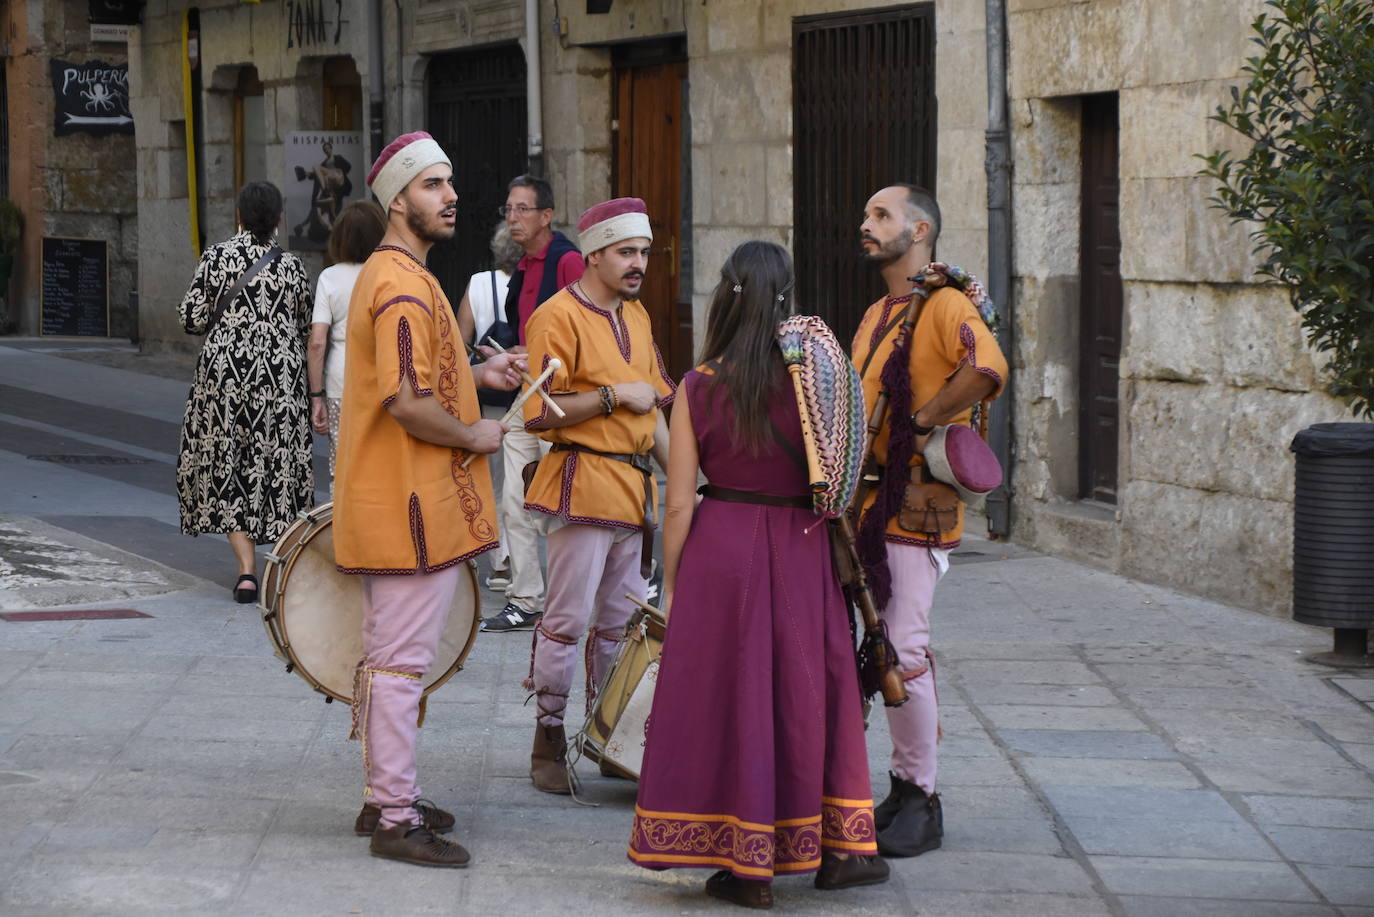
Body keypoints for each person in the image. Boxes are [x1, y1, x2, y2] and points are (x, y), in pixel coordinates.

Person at [628, 241, 888, 909]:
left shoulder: (698, 385)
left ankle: (747, 866)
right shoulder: (813, 380)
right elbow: (841, 472)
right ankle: (839, 852)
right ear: (785, 298)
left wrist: (674, 578)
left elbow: (679, 500)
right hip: (802, 548)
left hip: (721, 551)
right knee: (812, 693)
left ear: (727, 295)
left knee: (730, 697)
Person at [331, 131, 524, 867]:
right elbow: (409, 402)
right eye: (433, 185)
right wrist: (477, 433)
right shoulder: (403, 283)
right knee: (402, 662)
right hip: (408, 503)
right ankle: (395, 817)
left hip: (399, 499)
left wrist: (485, 373)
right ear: (398, 199)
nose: (450, 196)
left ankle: (387, 796)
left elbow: (423, 379)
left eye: (449, 183)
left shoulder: (394, 276)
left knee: (389, 657)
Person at [851, 184, 1008, 858]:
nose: (866, 224)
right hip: (866, 507)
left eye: (880, 216)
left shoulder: (943, 304)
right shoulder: (875, 312)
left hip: (914, 506)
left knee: (904, 651)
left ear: (919, 230)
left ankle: (923, 796)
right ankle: (900, 783)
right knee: (879, 648)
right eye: (866, 215)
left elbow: (989, 368)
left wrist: (923, 418)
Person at [520, 197, 673, 794]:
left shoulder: (638, 317)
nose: (638, 264)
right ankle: (548, 740)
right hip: (581, 483)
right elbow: (538, 412)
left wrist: (692, 484)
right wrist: (612, 398)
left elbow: (654, 409)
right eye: (626, 253)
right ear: (593, 254)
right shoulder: (556, 316)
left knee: (620, 626)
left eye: (643, 253)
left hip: (635, 493)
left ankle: (609, 736)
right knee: (566, 621)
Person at [176, 181, 314, 604]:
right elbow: (306, 327)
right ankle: (283, 563)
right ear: (277, 219)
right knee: (275, 464)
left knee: (230, 466)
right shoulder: (293, 267)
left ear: (238, 215)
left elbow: (191, 318)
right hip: (281, 380)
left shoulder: (216, 257)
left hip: (225, 380)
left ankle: (247, 572)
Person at [478, 175, 586, 632]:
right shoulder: (522, 267)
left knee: (558, 502)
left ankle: (566, 599)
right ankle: (525, 598)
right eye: (508, 208)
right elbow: (520, 331)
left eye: (522, 209)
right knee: (515, 499)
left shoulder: (568, 261)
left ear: (546, 215)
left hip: (559, 397)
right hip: (527, 393)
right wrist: (506, 353)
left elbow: (585, 333)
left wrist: (524, 355)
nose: (513, 217)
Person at [307, 199, 387, 488]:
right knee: (381, 460)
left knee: (343, 464)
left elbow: (317, 342)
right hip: (383, 379)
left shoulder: (330, 277)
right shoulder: (387, 273)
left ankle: (343, 523)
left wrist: (317, 395)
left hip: (343, 382)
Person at [293, 140, 353, 243]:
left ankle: (326, 190)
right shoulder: (324, 163)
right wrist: (308, 174)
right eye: (325, 150)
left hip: (338, 178)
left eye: (328, 149)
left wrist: (338, 173)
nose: (327, 151)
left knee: (331, 209)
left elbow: (348, 167)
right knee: (329, 212)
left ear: (331, 148)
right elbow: (317, 174)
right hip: (331, 187)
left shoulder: (337, 158)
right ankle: (334, 233)